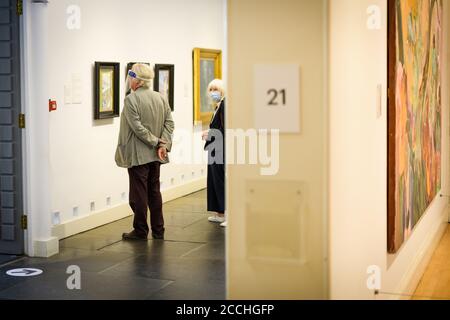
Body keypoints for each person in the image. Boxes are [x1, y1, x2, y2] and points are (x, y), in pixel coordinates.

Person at [115, 63, 174, 240]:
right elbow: (169, 124)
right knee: (154, 192)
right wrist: (162, 145)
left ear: (138, 81)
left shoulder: (131, 100)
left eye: (131, 76)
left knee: (138, 195)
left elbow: (137, 128)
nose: (129, 80)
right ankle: (158, 230)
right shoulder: (160, 97)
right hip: (157, 154)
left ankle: (140, 230)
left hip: (138, 155)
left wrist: (157, 141)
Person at [202, 79, 226, 227]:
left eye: (216, 89)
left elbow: (227, 129)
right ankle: (220, 213)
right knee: (214, 180)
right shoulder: (218, 106)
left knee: (222, 181)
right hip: (215, 148)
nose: (213, 92)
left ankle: (228, 214)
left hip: (221, 149)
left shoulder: (225, 106)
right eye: (211, 89)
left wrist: (210, 133)